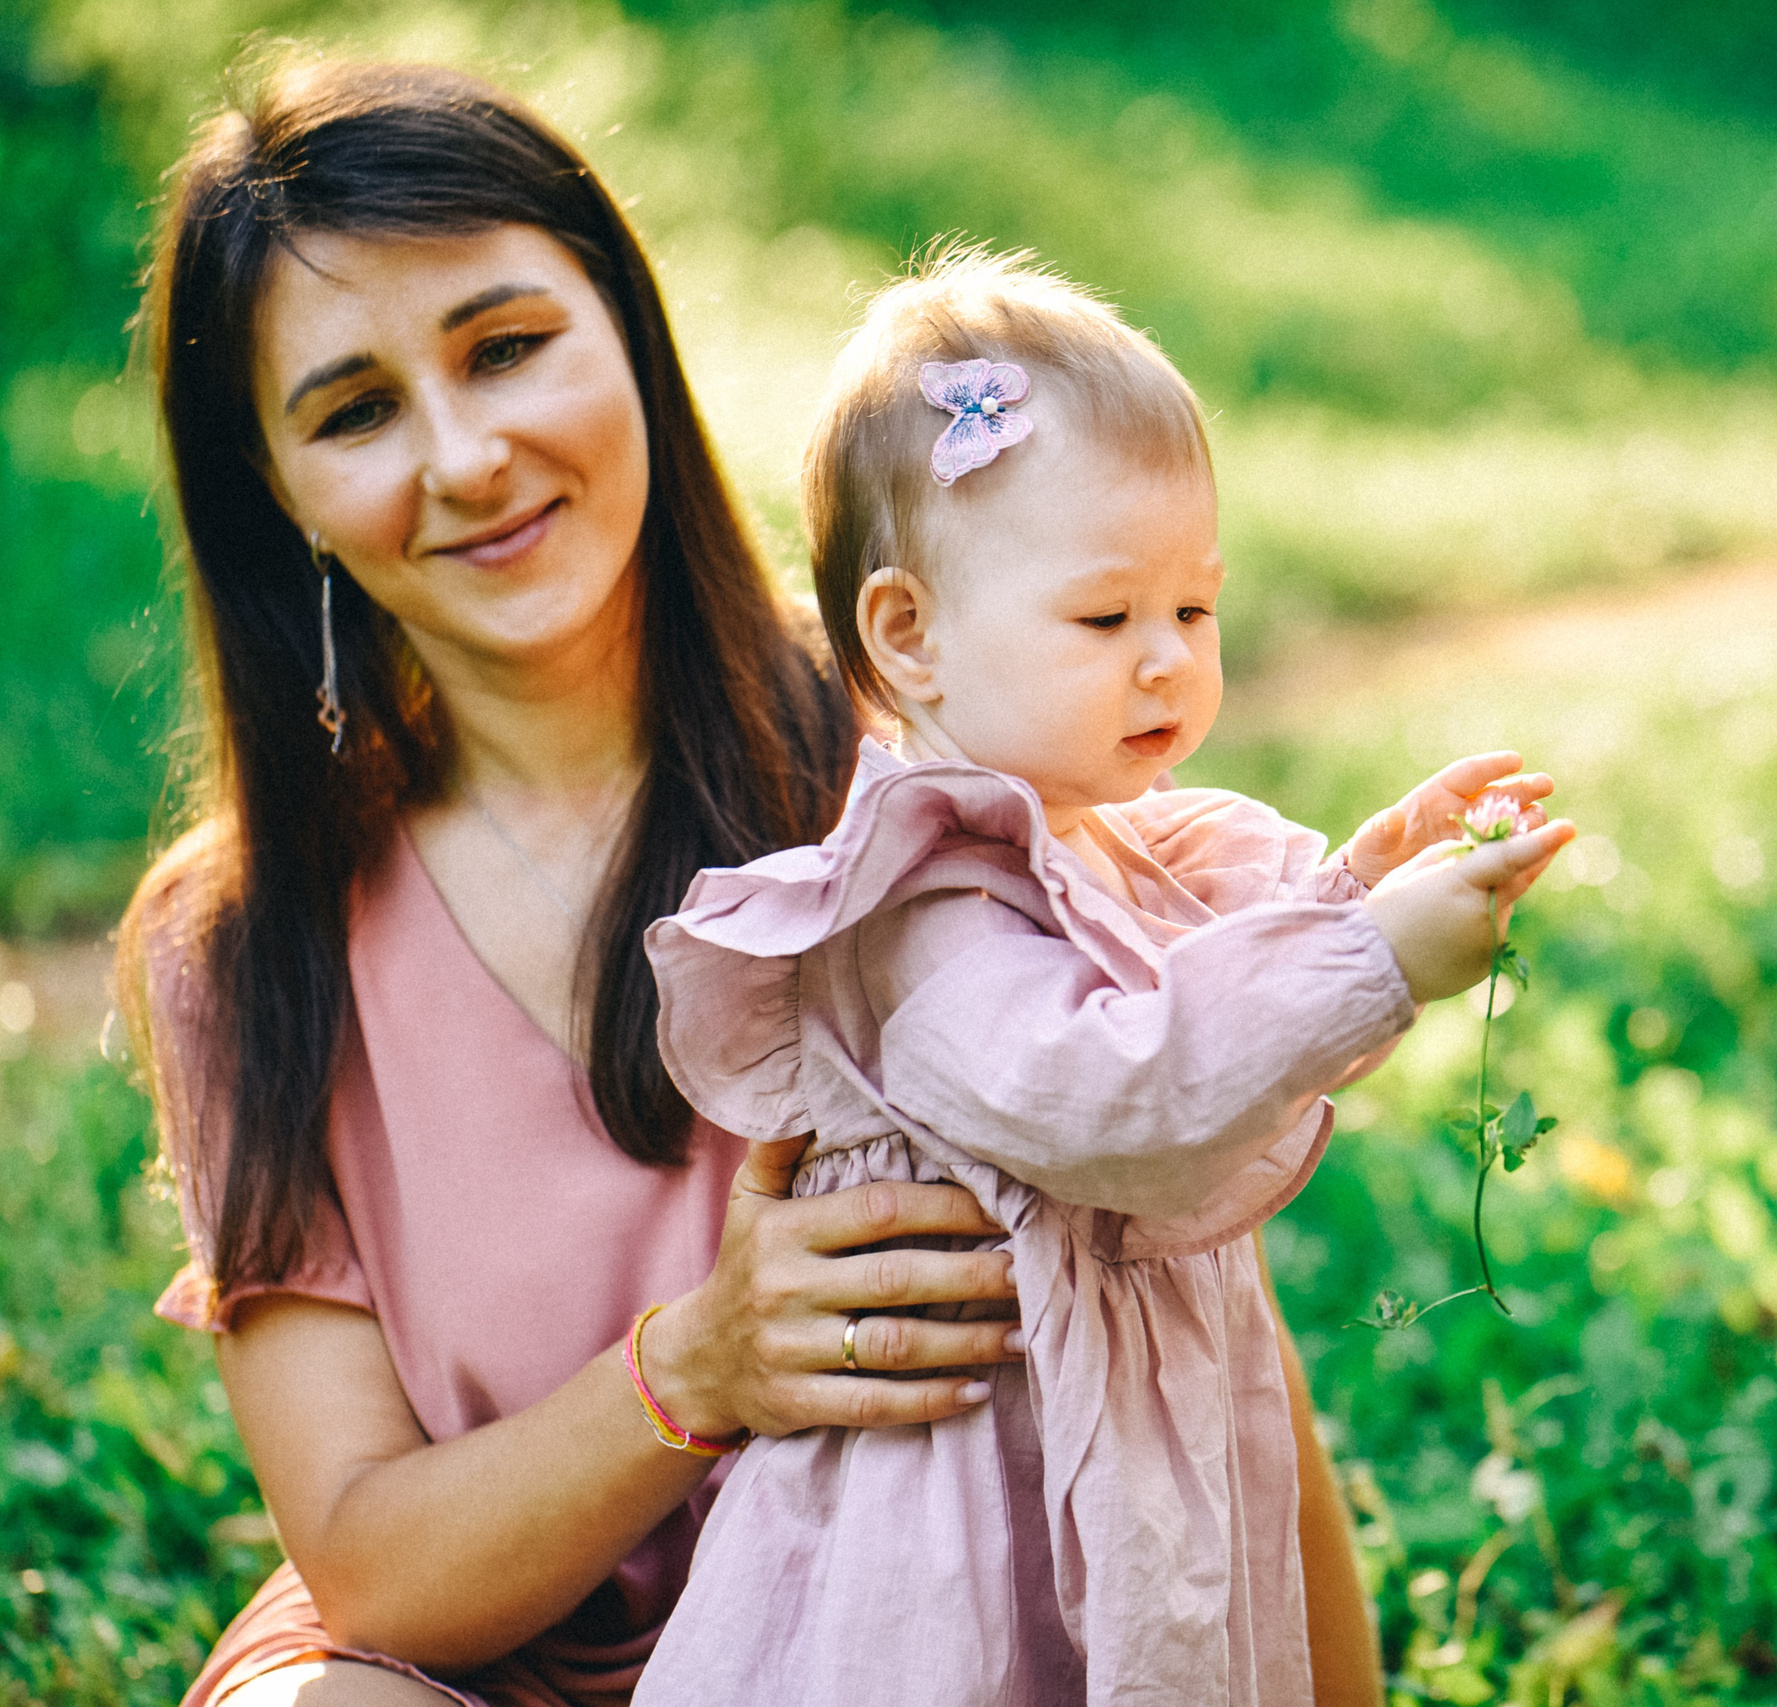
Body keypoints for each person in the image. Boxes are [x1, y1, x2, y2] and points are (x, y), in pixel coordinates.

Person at [125, 59, 1382, 1706]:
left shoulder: (924, 787)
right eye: (355, 411)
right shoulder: (245, 941)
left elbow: (1203, 1350)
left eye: (508, 348)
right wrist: (698, 1366)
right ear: (275, 496)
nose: (468, 455)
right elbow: (366, 1561)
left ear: (631, 341)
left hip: (914, 1630)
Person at [629, 250, 1573, 1705]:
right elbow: (1115, 1092)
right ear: (909, 635)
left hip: (1115, 1446)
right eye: (1105, 618)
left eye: (1193, 613)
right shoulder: (919, 904)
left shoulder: (1107, 843)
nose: (1165, 665)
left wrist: (1365, 889)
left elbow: (1241, 1035)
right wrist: (1373, 958)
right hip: (953, 1494)